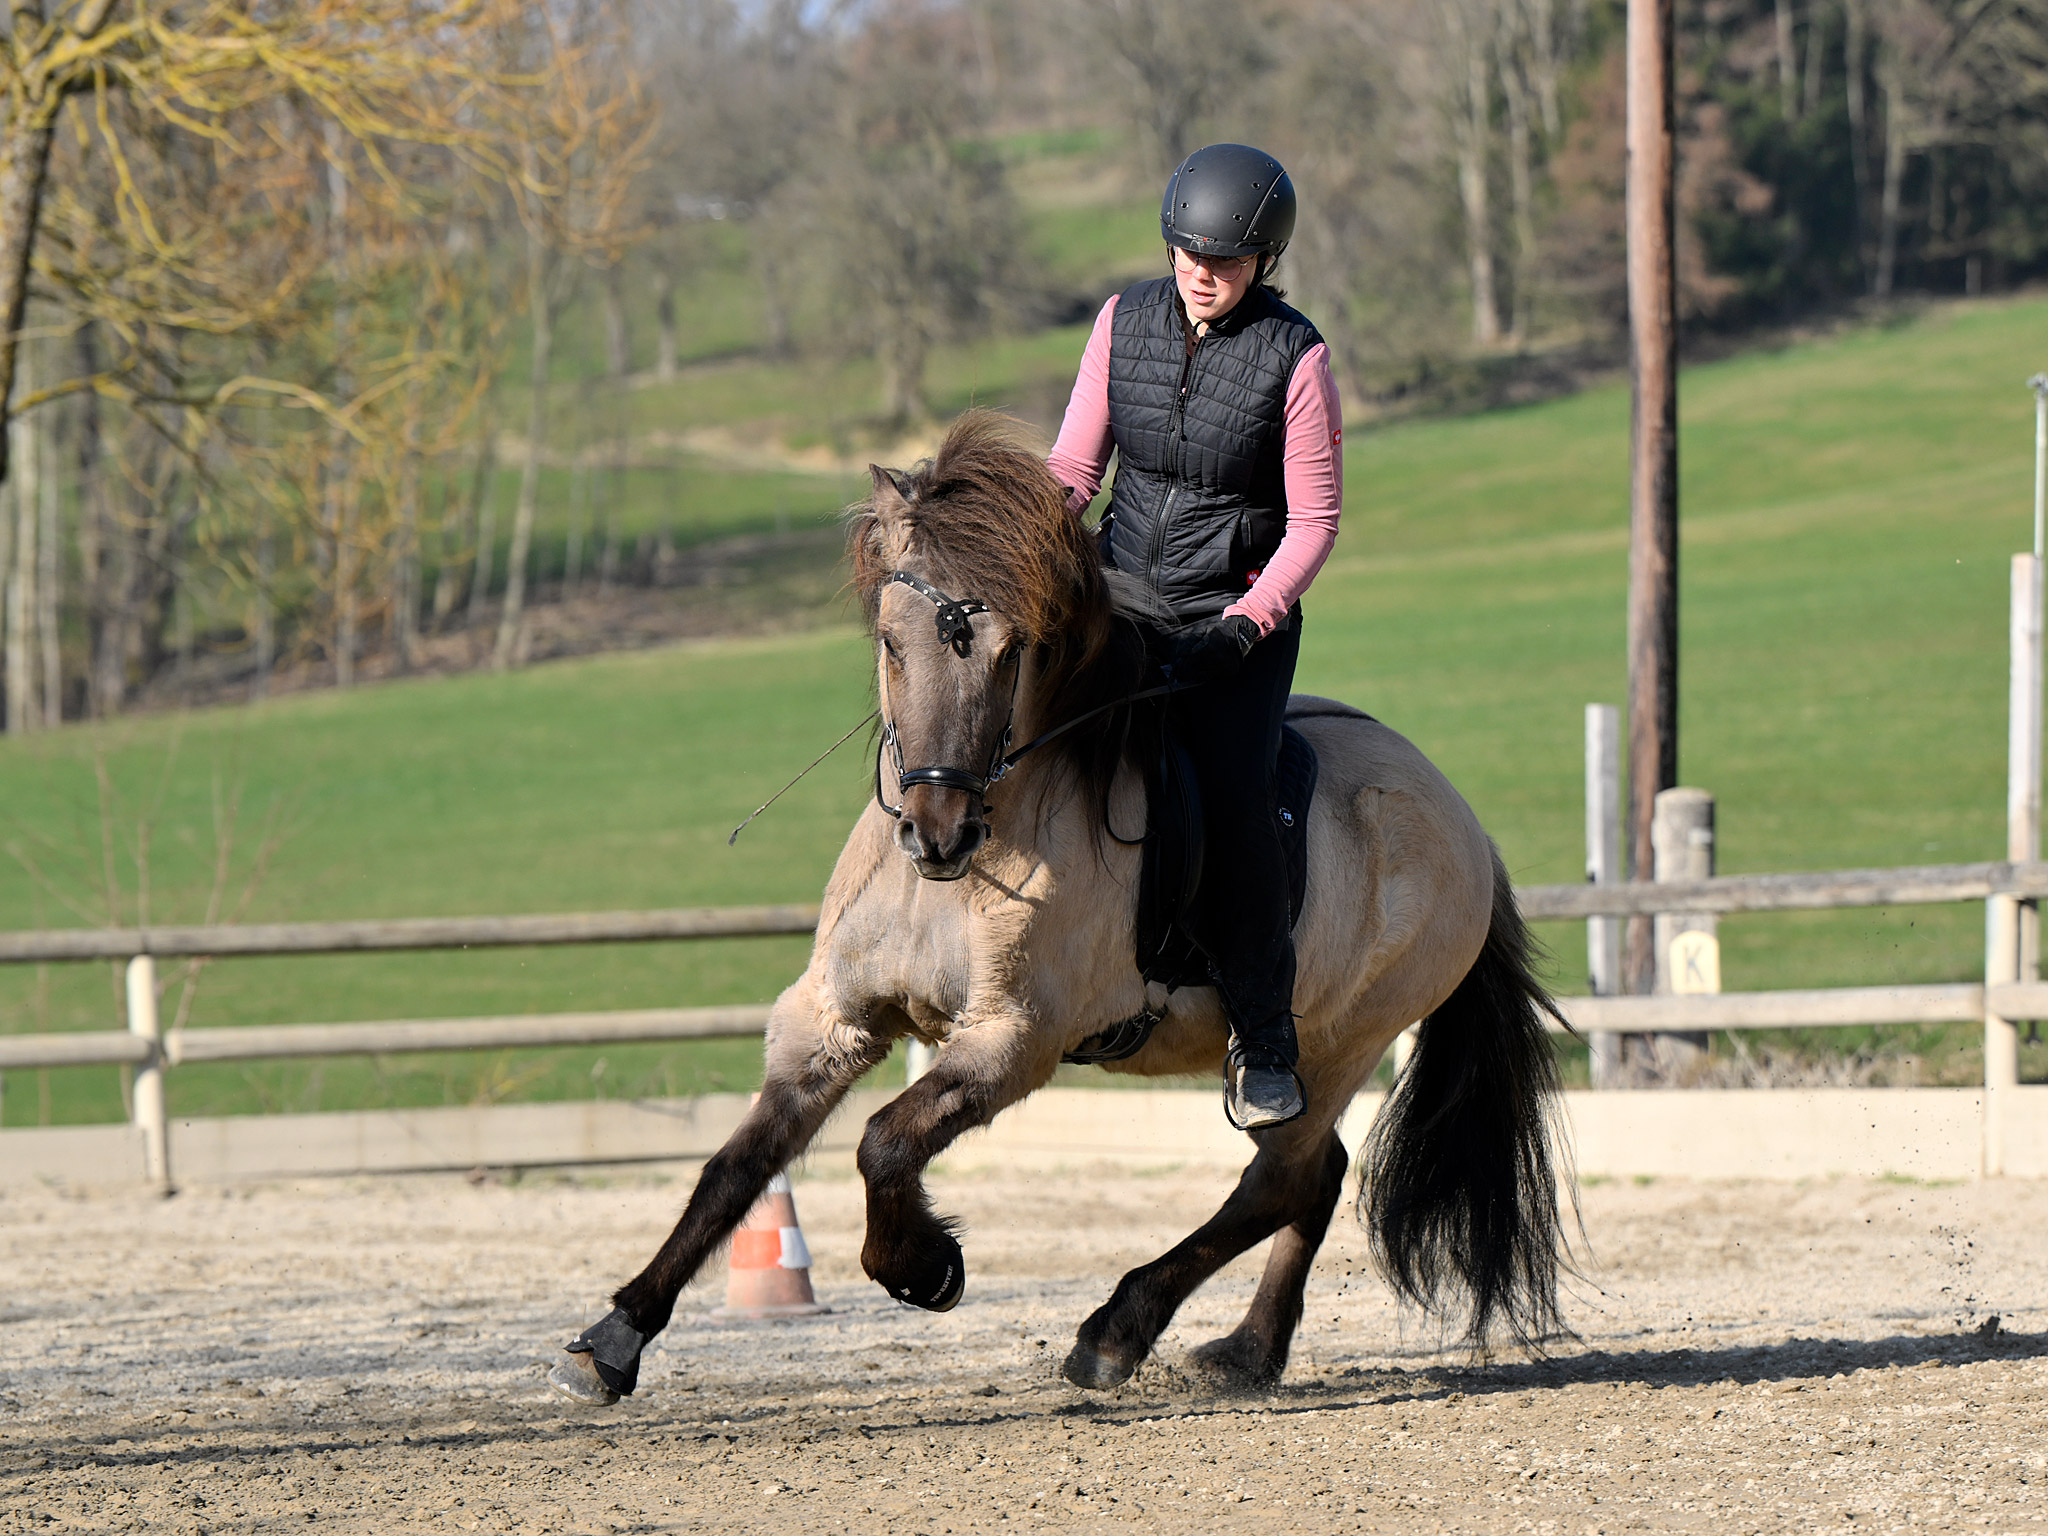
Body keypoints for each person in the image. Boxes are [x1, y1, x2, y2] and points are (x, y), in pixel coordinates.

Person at [1047, 142, 1343, 1132]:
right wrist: (1013, 544)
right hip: (1121, 596)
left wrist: (1245, 622)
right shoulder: (1119, 322)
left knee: (1229, 801)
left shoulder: (1295, 357)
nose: (1196, 274)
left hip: (1232, 623)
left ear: (1261, 260)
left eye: (1218, 260)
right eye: (1183, 254)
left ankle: (1262, 1039)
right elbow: (1073, 474)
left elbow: (1312, 525)